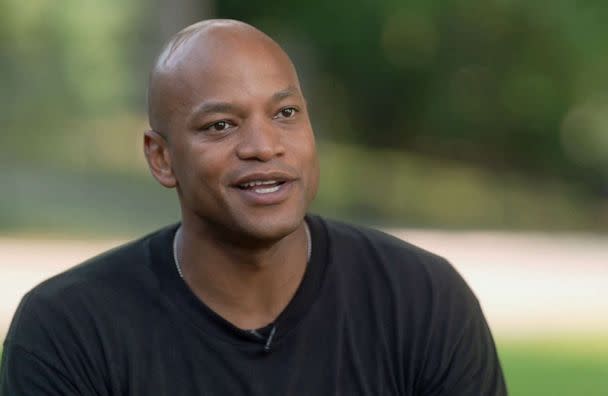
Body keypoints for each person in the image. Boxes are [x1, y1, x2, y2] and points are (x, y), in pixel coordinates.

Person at [0, 19, 507, 395]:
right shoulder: (69, 330)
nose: (264, 146)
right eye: (221, 125)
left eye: (285, 113)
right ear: (161, 158)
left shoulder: (422, 301)